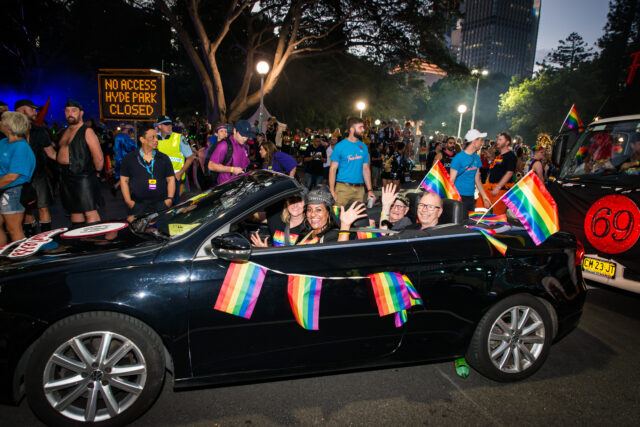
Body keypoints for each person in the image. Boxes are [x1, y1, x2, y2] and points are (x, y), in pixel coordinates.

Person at [57, 99, 104, 226]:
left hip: (83, 176)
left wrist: (95, 174)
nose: (70, 114)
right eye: (67, 111)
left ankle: (94, 241)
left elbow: (99, 158)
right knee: (74, 211)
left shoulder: (87, 131)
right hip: (66, 176)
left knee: (90, 212)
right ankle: (80, 243)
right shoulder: (65, 132)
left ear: (81, 113)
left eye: (73, 111)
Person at [15, 99, 57, 234]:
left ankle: (46, 239)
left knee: (43, 207)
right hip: (18, 177)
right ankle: (31, 240)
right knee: (26, 209)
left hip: (39, 176)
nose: (36, 112)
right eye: (32, 109)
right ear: (21, 110)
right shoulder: (10, 131)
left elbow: (51, 154)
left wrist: (70, 161)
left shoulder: (40, 131)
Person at [119, 124, 175, 222]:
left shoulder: (163, 158)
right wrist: (129, 201)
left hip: (161, 204)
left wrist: (169, 200)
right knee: (138, 233)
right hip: (137, 205)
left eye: (156, 137)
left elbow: (171, 179)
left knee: (160, 233)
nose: (156, 140)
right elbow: (124, 180)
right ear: (142, 139)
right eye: (152, 137)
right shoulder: (129, 158)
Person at [0, 112, 36, 244]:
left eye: (2, 121)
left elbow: (12, 176)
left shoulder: (21, 147)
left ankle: (23, 263)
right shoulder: (3, 142)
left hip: (13, 191)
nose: (0, 123)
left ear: (9, 126)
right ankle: (3, 260)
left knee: (14, 229)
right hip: (3, 188)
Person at [329, 117, 374, 206]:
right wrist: (331, 190)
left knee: (357, 218)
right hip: (342, 189)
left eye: (363, 127)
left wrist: (370, 190)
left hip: (360, 190)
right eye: (360, 127)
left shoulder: (364, 147)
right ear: (352, 129)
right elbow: (333, 169)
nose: (363, 130)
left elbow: (366, 169)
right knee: (338, 217)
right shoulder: (340, 146)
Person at [297, 186, 366, 244]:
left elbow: (338, 255)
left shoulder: (332, 235)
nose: (312, 214)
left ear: (328, 212)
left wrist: (345, 225)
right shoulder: (308, 231)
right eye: (309, 210)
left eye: (319, 210)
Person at [450, 129, 492, 213]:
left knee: (468, 223)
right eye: (480, 140)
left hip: (471, 198)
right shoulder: (458, 158)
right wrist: (450, 200)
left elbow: (477, 179)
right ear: (474, 141)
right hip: (458, 197)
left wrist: (484, 196)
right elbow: (451, 181)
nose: (482, 143)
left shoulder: (476, 157)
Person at [478, 131, 517, 215]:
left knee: (497, 215)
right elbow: (494, 169)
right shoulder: (499, 155)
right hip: (489, 188)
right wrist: (491, 159)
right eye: (497, 139)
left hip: (500, 190)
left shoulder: (511, 156)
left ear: (507, 142)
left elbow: (509, 173)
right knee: (480, 209)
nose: (497, 141)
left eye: (500, 139)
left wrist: (498, 187)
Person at [156, 115, 195, 196]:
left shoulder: (179, 138)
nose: (169, 126)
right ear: (159, 126)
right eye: (166, 124)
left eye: (170, 124)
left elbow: (190, 157)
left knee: (173, 205)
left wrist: (180, 173)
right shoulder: (154, 139)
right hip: (159, 178)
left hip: (175, 178)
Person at [208, 120, 253, 185]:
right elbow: (211, 166)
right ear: (234, 131)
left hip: (241, 185)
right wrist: (232, 169)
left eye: (247, 136)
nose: (245, 138)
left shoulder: (246, 146)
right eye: (242, 135)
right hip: (227, 187)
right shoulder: (224, 145)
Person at [112, 128, 138, 194]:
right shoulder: (129, 141)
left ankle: (116, 187)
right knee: (129, 176)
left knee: (127, 176)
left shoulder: (121, 139)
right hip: (127, 161)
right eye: (133, 133)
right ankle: (128, 192)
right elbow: (134, 149)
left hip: (122, 160)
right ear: (130, 133)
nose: (134, 135)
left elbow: (115, 149)